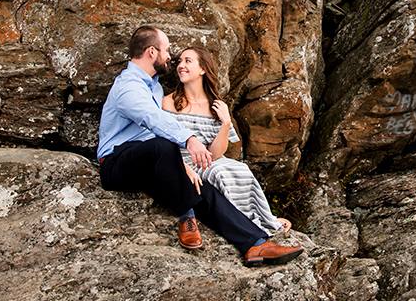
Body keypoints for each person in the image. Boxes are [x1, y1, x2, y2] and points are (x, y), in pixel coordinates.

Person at [97, 25, 303, 266]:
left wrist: (179, 166)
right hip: (117, 164)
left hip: (150, 162)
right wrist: (190, 140)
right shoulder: (128, 86)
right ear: (151, 52)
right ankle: (187, 216)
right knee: (164, 145)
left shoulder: (152, 85)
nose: (170, 57)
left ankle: (255, 244)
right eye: (167, 50)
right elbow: (151, 119)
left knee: (201, 188)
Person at [162, 45, 292, 235]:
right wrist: (182, 166)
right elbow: (163, 143)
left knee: (240, 168)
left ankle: (265, 218)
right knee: (221, 172)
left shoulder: (216, 105)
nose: (181, 65)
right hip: (184, 163)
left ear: (203, 69)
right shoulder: (170, 102)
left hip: (209, 161)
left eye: (188, 61)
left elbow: (215, 154)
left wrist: (225, 123)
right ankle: (248, 226)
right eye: (180, 61)